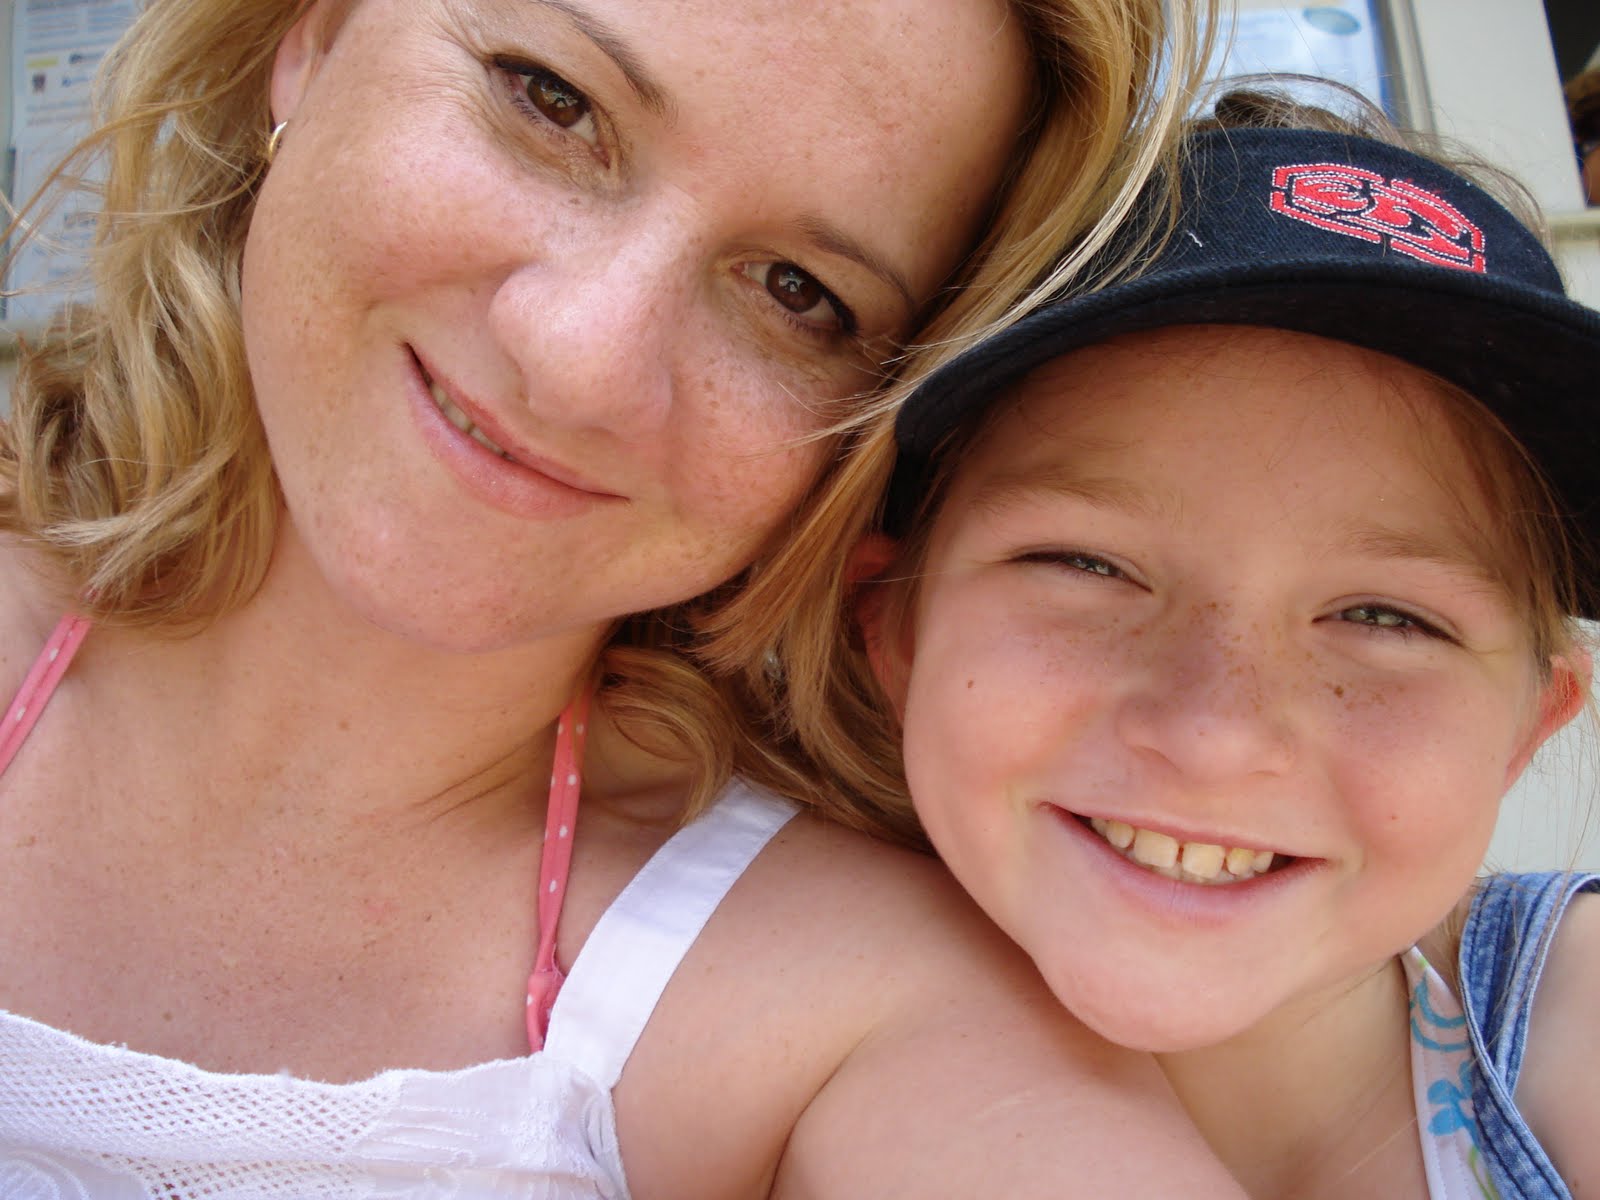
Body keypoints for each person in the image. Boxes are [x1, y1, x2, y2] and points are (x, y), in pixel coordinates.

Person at [0, 1, 1256, 1197]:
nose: (578, 361)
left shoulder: (851, 1013)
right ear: (315, 35)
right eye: (551, 101)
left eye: (796, 292)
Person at [768, 93, 1600, 1197]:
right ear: (893, 627)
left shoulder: (1573, 1018)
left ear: (1524, 728)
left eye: (1386, 618)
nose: (1213, 736)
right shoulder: (692, 1017)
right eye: (1086, 564)